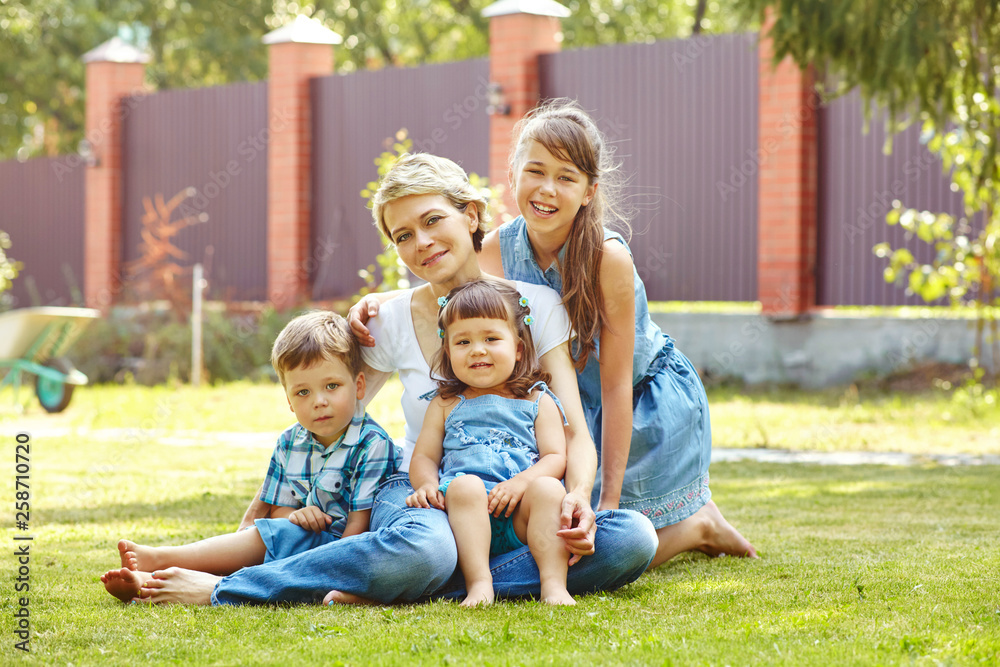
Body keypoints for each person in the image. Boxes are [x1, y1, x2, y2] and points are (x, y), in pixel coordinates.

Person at [121, 152, 655, 607]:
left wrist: (579, 496)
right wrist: (269, 501)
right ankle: (230, 586)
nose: (421, 242)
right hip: (423, 496)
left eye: (432, 221)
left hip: (519, 497)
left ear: (471, 215)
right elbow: (331, 418)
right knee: (425, 550)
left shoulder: (533, 305)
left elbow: (574, 432)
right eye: (403, 235)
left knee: (632, 537)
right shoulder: (387, 319)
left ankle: (419, 585)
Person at [476, 99, 757, 566]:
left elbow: (615, 383)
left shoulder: (608, 259)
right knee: (545, 536)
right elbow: (442, 297)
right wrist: (376, 303)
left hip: (642, 403)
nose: (547, 189)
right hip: (567, 415)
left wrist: (606, 502)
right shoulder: (495, 253)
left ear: (588, 191)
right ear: (512, 175)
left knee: (599, 547)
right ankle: (697, 521)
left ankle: (698, 526)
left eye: (566, 177)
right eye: (535, 171)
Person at [100, 311, 401, 603]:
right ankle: (150, 580)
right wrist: (298, 516)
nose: (319, 401)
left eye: (331, 386)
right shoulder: (289, 443)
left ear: (359, 386)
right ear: (289, 401)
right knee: (271, 534)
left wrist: (292, 529)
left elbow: (357, 531)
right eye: (303, 392)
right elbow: (278, 511)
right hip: (296, 541)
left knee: (268, 538)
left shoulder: (371, 443)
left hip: (344, 555)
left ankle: (162, 559)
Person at [406, 279, 574, 607]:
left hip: (521, 516)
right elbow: (424, 456)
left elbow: (555, 456)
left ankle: (554, 585)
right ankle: (480, 583)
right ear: (448, 351)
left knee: (550, 490)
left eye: (491, 338)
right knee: (465, 486)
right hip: (463, 516)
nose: (477, 349)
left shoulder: (538, 400)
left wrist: (521, 484)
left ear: (518, 348)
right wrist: (425, 485)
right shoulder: (445, 403)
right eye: (463, 341)